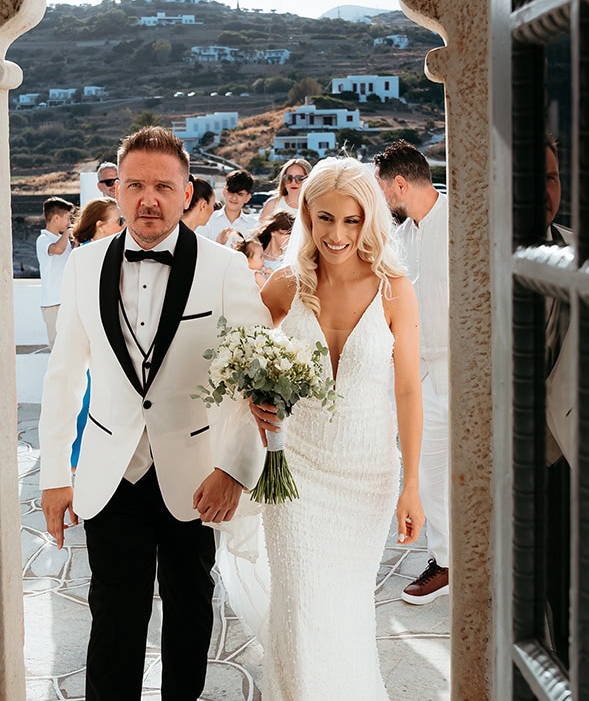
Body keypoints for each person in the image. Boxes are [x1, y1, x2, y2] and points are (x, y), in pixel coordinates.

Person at [39, 126, 270, 701]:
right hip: (110, 472)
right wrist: (54, 475)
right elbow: (64, 375)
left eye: (163, 187)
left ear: (186, 192)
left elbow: (259, 376)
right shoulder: (83, 265)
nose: (148, 199)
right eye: (135, 185)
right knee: (113, 616)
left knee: (190, 610)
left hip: (195, 474)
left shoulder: (225, 268)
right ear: (115, 190)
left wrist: (236, 468)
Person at [251, 156, 424, 701]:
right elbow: (245, 352)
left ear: (369, 219)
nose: (337, 234)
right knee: (300, 603)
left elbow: (408, 390)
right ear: (306, 215)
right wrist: (256, 395)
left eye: (351, 220)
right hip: (295, 468)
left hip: (366, 475)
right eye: (324, 218)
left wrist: (412, 484)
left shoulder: (395, 290)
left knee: (345, 612)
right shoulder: (286, 284)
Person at [373, 140, 450, 604]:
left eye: (383, 190)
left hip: (470, 370)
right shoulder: (397, 237)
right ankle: (447, 561)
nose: (382, 200)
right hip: (417, 374)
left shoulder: (463, 219)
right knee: (426, 471)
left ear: (400, 184)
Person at [543, 134, 573, 667]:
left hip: (569, 452)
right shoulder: (470, 257)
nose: (542, 190)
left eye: (549, 177)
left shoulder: (583, 254)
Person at [69, 197, 125, 469]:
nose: (124, 226)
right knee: (88, 404)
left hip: (105, 346)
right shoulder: (86, 258)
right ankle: (79, 461)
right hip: (94, 346)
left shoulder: (109, 254)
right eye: (119, 221)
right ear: (101, 226)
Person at [36, 196, 74, 349]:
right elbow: (57, 250)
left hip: (67, 300)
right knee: (57, 348)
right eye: (67, 218)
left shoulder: (63, 239)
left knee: (70, 346)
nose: (69, 223)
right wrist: (68, 233)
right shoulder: (43, 239)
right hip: (53, 303)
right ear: (56, 218)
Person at [204, 168, 259, 244]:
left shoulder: (254, 226)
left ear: (247, 198)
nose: (234, 198)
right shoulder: (208, 221)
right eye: (231, 192)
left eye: (240, 194)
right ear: (224, 192)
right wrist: (219, 244)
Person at [259, 158, 312, 222]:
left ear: (309, 180)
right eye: (289, 178)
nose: (293, 182)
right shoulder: (272, 205)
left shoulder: (315, 206)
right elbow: (262, 227)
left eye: (300, 178)